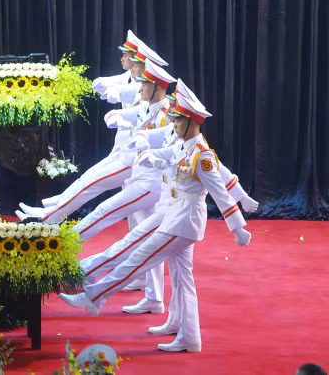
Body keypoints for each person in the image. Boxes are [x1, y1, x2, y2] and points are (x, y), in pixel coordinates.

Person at [58, 91, 253, 353]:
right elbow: (167, 152)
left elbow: (220, 193)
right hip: (171, 211)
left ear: (193, 122)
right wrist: (150, 155)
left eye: (178, 120)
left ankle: (94, 296)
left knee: (138, 257)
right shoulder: (183, 144)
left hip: (184, 221)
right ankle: (187, 334)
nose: (173, 123)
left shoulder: (202, 156)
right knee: (183, 279)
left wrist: (238, 227)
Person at [16, 43, 169, 224]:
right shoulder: (139, 88)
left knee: (91, 184)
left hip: (134, 161)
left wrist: (124, 114)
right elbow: (116, 88)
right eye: (133, 62)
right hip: (123, 152)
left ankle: (48, 217)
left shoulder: (153, 100)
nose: (131, 66)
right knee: (92, 184)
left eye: (135, 64)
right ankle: (49, 209)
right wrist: (104, 88)